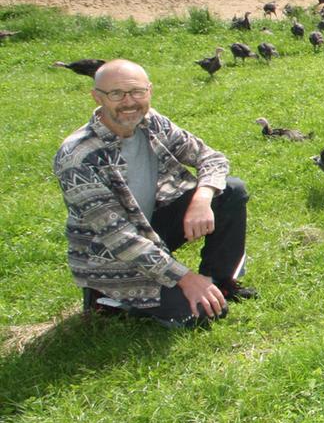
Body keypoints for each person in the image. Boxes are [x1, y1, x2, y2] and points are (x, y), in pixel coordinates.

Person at [54, 59, 254, 327]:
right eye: (116, 94)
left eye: (137, 92)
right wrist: (185, 277)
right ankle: (106, 299)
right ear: (96, 97)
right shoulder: (78, 157)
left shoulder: (151, 122)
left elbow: (212, 158)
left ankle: (219, 283)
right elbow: (119, 238)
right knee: (202, 315)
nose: (129, 102)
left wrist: (203, 197)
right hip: (111, 256)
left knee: (230, 190)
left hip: (150, 228)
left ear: (149, 91)